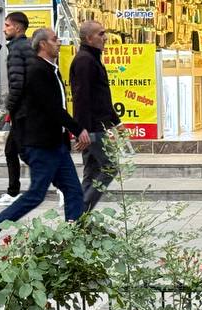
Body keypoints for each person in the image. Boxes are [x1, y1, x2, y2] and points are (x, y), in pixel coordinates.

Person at [0, 28, 89, 244]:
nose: (59, 42)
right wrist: (78, 129)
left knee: (73, 189)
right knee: (37, 193)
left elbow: (55, 106)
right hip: (40, 144)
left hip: (55, 143)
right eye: (54, 39)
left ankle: (74, 235)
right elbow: (52, 108)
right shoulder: (38, 71)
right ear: (42, 45)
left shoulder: (51, 69)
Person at [69, 20, 120, 213]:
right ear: (89, 38)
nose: (105, 38)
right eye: (101, 34)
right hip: (92, 129)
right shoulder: (84, 60)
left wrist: (116, 121)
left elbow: (101, 96)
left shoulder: (91, 58)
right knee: (109, 167)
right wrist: (83, 131)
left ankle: (76, 220)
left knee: (91, 173)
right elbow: (81, 98)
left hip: (95, 126)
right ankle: (81, 211)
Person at [0, 12, 32, 207]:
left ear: (18, 28)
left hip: (22, 112)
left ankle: (61, 185)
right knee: (13, 150)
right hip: (25, 110)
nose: (4, 28)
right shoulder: (26, 46)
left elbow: (17, 83)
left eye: (7, 25)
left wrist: (9, 108)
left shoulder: (17, 49)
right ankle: (13, 190)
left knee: (23, 152)